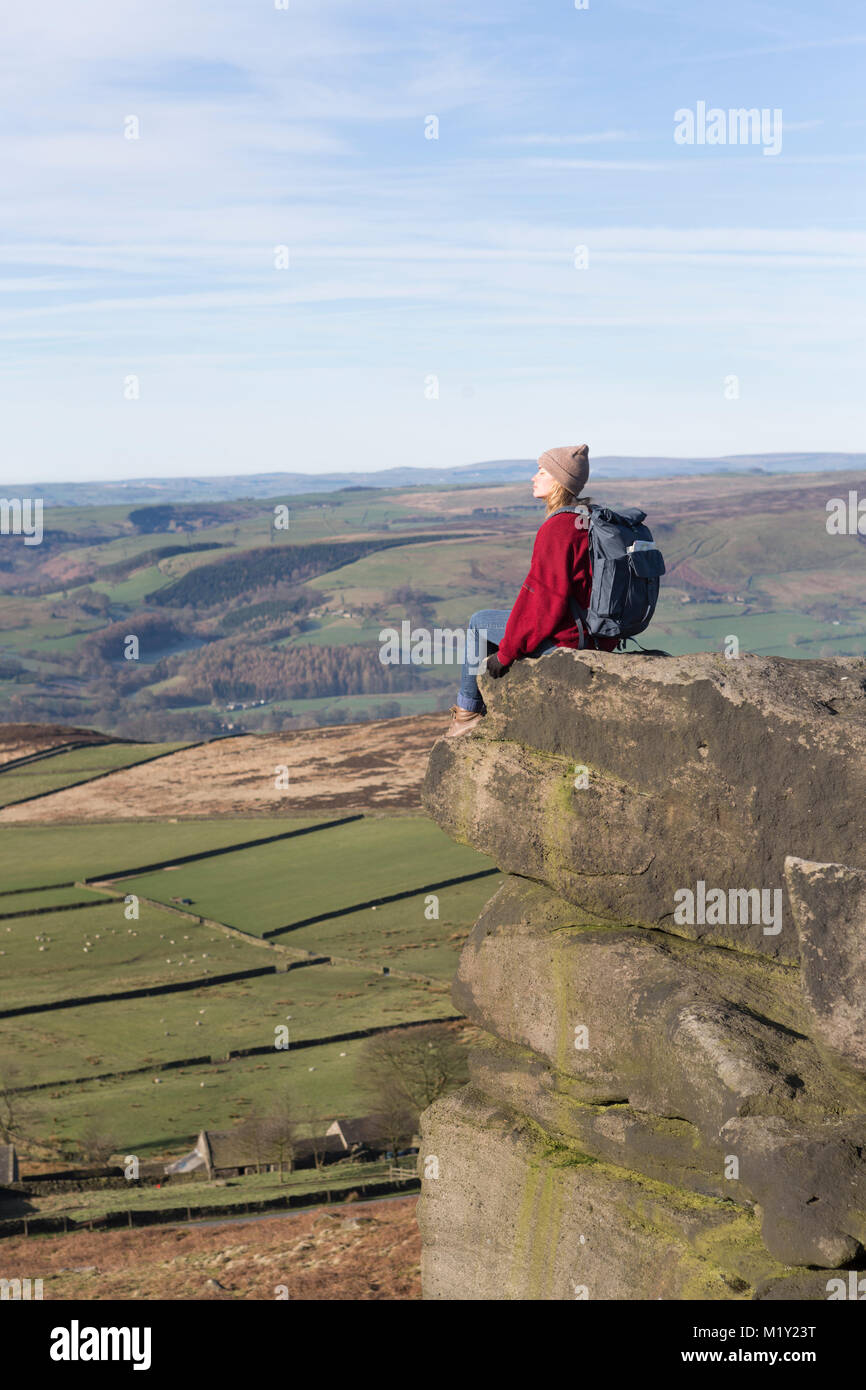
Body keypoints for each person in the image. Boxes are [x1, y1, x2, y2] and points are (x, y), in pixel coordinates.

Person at [446, 444, 619, 737]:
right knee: (493, 620)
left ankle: (468, 714)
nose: (533, 478)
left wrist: (506, 654)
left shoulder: (558, 528)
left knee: (479, 622)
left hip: (571, 639)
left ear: (559, 481)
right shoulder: (588, 518)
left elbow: (545, 602)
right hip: (599, 636)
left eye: (541, 472)